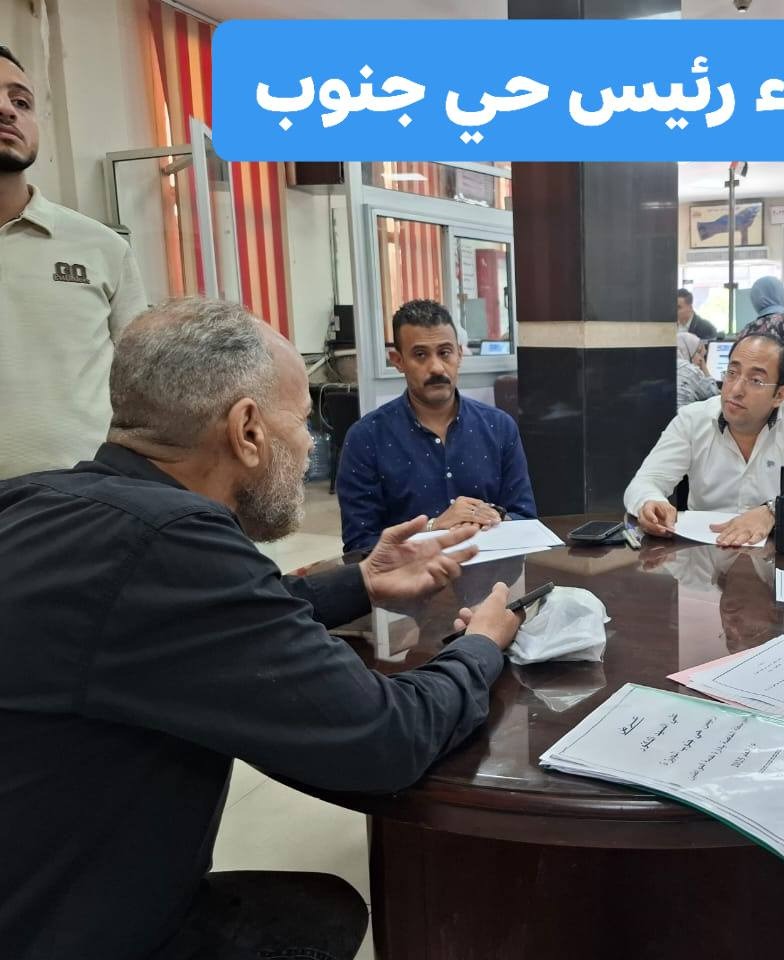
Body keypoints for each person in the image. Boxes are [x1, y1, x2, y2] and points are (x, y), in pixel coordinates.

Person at [0, 298, 524, 960]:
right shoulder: (177, 543)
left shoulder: (41, 501)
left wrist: (361, 581)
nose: (307, 448)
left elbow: (215, 614)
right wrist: (479, 646)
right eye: (301, 423)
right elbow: (385, 738)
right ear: (247, 429)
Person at [0, 44, 147, 479]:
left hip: (82, 500)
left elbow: (144, 385)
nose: (7, 110)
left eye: (21, 101)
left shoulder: (101, 248)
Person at [338, 298, 536, 554]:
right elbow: (359, 545)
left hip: (491, 571)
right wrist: (433, 527)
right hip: (408, 576)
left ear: (459, 354)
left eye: (445, 353)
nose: (436, 367)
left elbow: (525, 517)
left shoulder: (499, 428)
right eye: (420, 355)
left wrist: (494, 517)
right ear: (398, 361)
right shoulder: (366, 439)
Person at [624, 333, 784, 547]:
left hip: (776, 557)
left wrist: (773, 512)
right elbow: (644, 482)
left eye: (756, 380)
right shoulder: (692, 419)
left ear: (780, 395)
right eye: (732, 373)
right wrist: (650, 503)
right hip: (703, 555)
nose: (736, 389)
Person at [676, 331, 718, 407]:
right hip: (683, 414)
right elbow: (714, 394)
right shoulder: (690, 370)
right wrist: (704, 368)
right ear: (688, 350)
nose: (700, 359)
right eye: (698, 352)